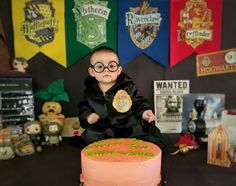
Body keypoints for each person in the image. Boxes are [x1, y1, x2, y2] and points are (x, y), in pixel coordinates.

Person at [78, 47, 164, 150]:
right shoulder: (89, 92)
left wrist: (144, 111)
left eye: (111, 66)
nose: (106, 70)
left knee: (141, 142)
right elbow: (84, 106)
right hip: (101, 128)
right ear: (92, 72)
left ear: (118, 70)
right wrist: (88, 115)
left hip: (126, 126)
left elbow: (138, 101)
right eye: (100, 66)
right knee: (92, 143)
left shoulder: (127, 87)